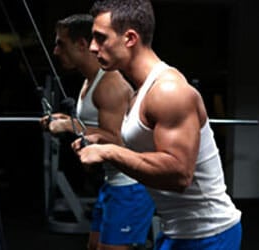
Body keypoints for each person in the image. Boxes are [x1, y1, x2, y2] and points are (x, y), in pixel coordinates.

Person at [71, 1, 242, 249]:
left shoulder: (168, 91)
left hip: (209, 233)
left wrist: (110, 151)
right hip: (176, 229)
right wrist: (102, 141)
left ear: (130, 38)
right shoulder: (140, 90)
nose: (93, 47)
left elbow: (179, 174)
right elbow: (152, 152)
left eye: (100, 38)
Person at [40, 14, 156, 250]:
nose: (55, 51)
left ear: (81, 44)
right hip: (111, 182)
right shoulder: (90, 81)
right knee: (94, 246)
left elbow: (117, 140)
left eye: (61, 43)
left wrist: (68, 126)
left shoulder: (109, 85)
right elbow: (100, 125)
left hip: (130, 186)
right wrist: (68, 120)